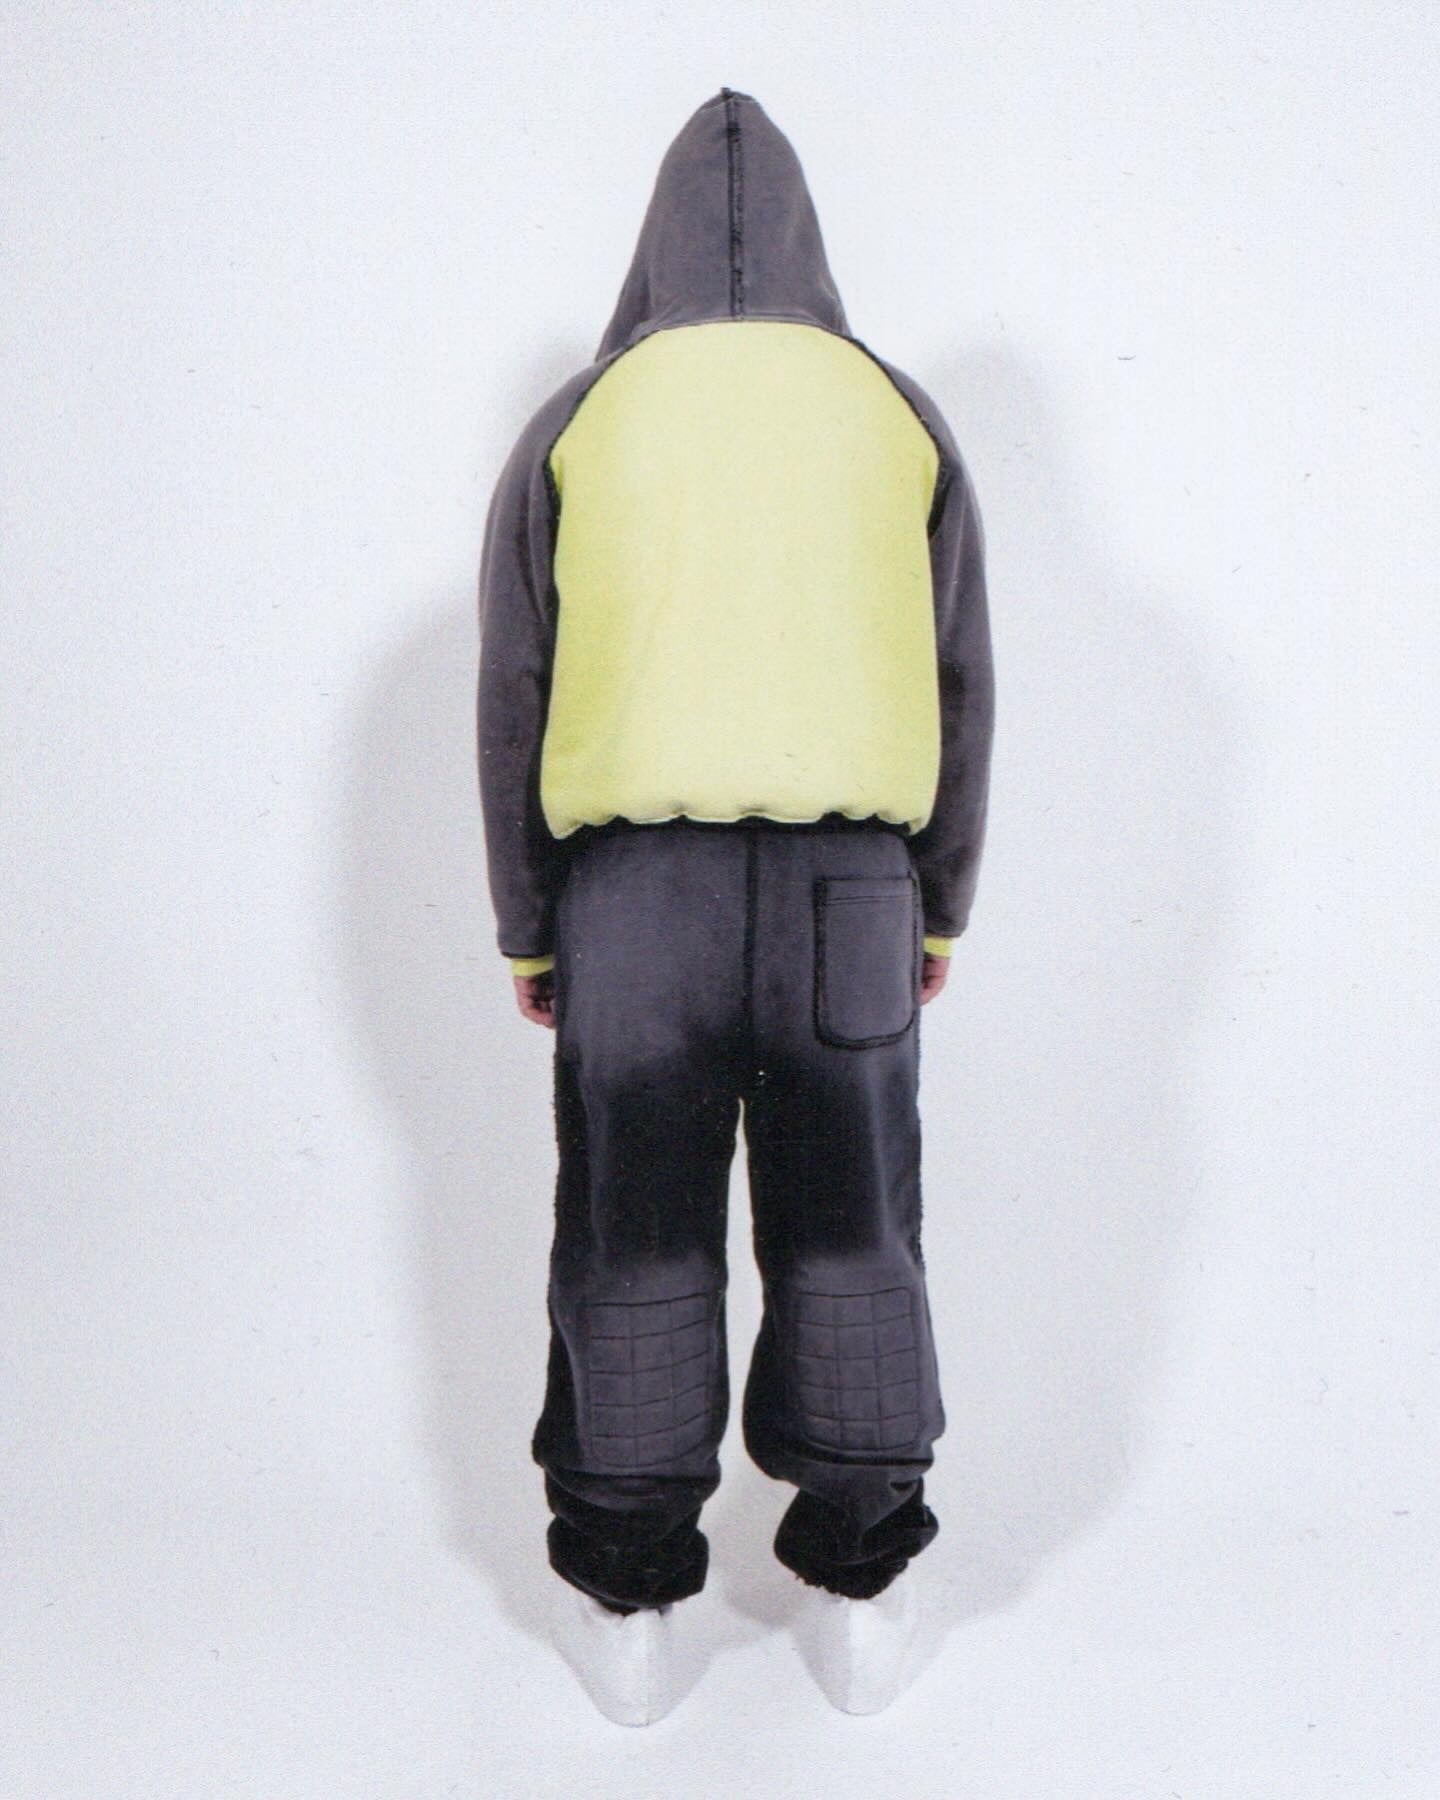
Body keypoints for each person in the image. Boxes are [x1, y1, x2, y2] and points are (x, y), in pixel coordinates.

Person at [477, 87, 995, 1719]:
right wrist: (936, 907)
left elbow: (515, 685)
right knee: (853, 1231)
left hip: (635, 898)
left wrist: (532, 923)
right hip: (855, 891)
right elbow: (960, 678)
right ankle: (861, 1583)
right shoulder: (892, 412)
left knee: (633, 1236)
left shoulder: (585, 416)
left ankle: (628, 1603)